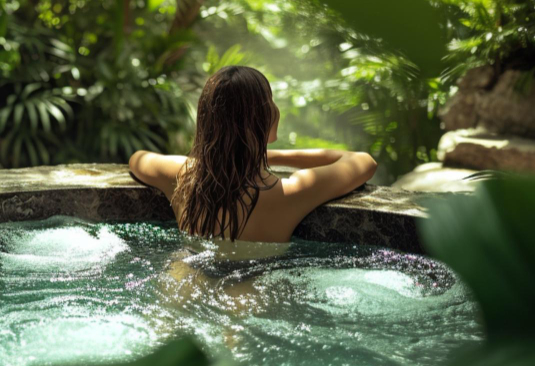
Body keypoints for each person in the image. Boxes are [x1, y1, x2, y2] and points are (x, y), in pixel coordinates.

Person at [128, 65, 377, 244]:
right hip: (248, 297)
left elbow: (137, 159)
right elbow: (363, 162)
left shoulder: (183, 177)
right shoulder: (289, 194)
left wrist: (219, 154)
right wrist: (269, 155)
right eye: (270, 101)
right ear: (264, 121)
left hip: (182, 280)